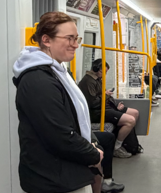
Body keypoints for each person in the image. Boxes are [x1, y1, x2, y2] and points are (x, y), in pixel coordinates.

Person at [12, 12, 103, 193]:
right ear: (46, 40)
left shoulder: (58, 71)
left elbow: (74, 116)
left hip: (64, 172)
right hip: (52, 179)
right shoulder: (38, 81)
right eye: (69, 38)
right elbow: (58, 134)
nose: (76, 45)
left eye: (76, 38)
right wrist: (92, 153)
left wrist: (92, 143)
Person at [78, 59, 139, 158]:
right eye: (102, 72)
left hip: (105, 107)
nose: (104, 75)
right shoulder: (88, 82)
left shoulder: (97, 80)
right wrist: (105, 95)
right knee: (130, 120)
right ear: (95, 69)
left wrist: (115, 106)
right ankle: (117, 148)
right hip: (97, 112)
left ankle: (130, 144)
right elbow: (93, 103)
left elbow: (103, 97)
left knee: (134, 113)